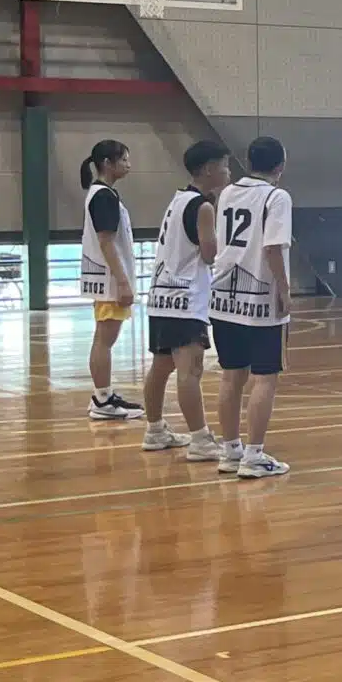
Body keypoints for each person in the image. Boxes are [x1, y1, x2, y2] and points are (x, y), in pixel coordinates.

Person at [140, 139, 230, 459]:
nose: (228, 172)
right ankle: (201, 439)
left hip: (160, 295)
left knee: (161, 365)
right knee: (190, 370)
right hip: (185, 298)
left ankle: (154, 430)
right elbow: (209, 254)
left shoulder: (178, 199)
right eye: (224, 166)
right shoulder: (203, 207)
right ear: (208, 169)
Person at [211, 136, 294, 480]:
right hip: (259, 297)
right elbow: (273, 248)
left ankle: (230, 450)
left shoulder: (227, 193)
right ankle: (254, 455)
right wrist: (285, 290)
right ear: (280, 166)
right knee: (265, 378)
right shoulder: (277, 197)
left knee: (231, 375)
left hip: (222, 295)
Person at [79, 140, 138, 421]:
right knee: (105, 340)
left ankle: (103, 395)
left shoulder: (103, 193)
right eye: (124, 159)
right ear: (107, 163)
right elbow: (106, 241)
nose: (128, 165)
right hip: (109, 280)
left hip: (106, 279)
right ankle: (101, 400)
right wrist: (123, 282)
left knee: (103, 339)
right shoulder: (103, 196)